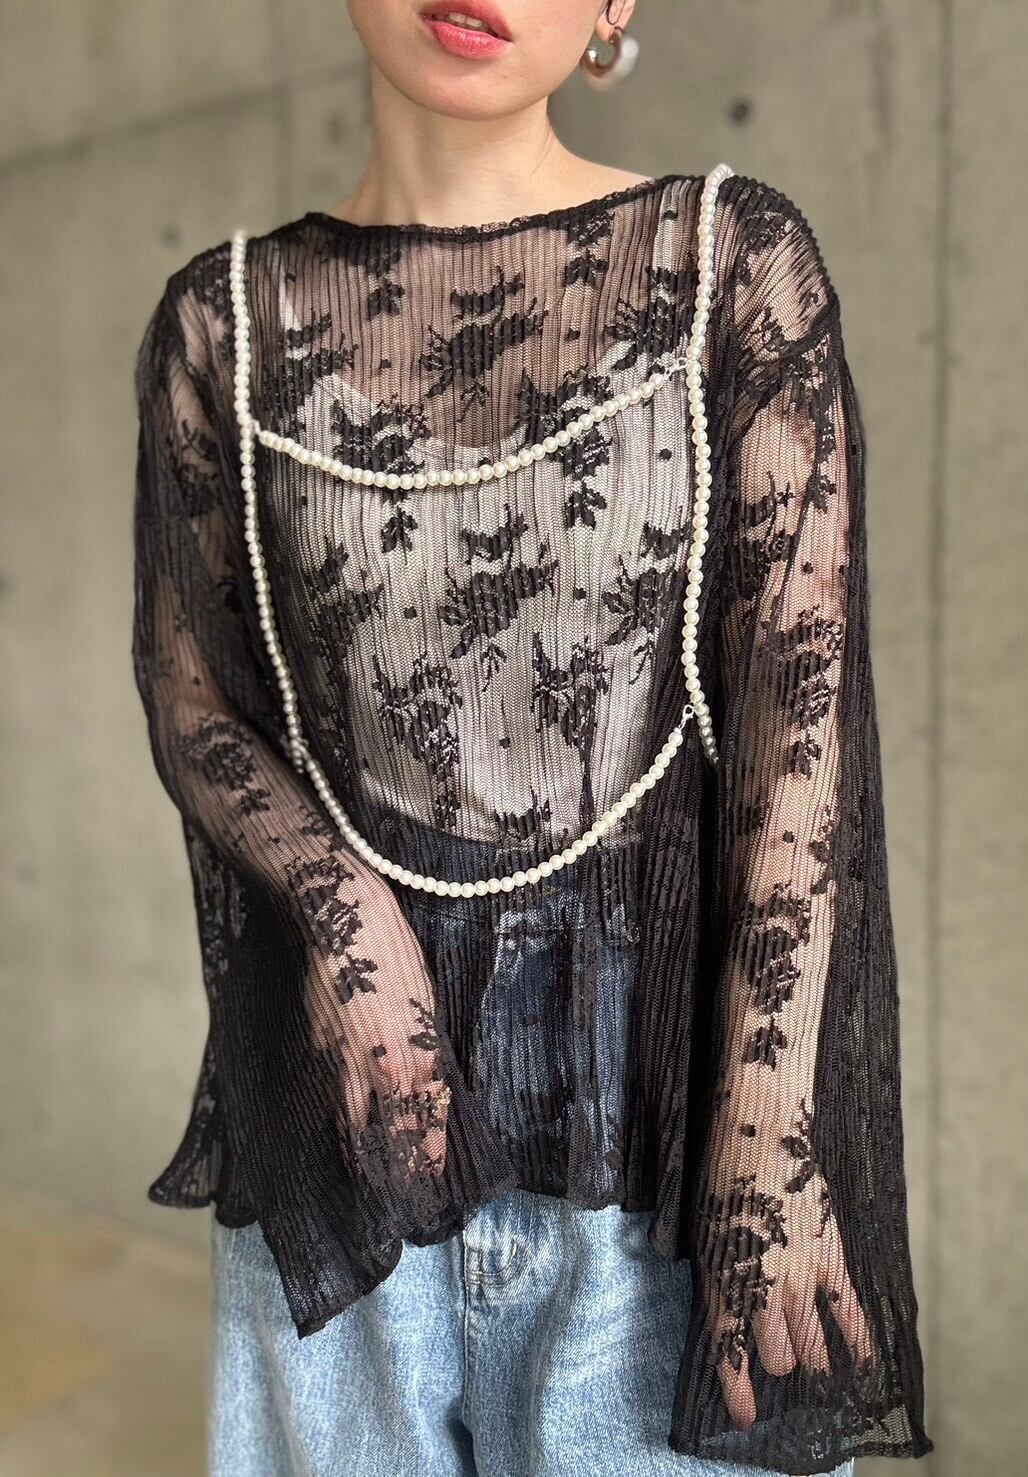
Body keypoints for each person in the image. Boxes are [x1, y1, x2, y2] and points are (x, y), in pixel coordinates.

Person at [129, 2, 934, 1474]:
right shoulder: (223, 324)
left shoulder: (730, 264)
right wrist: (341, 915)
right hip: (349, 1149)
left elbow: (797, 716)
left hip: (664, 1156)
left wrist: (770, 1122)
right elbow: (196, 698)